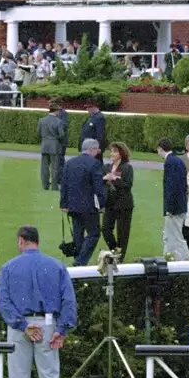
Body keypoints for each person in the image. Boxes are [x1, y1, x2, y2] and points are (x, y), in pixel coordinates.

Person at [0, 225, 77, 378]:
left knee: (18, 375)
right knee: (50, 375)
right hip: (48, 324)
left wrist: (23, 326)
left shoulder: (8, 267)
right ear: (37, 242)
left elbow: (3, 302)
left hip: (19, 326)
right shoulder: (56, 266)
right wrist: (62, 329)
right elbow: (68, 299)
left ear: (22, 241)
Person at [58, 138, 106, 266]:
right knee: (94, 233)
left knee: (78, 234)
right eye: (96, 149)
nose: (98, 152)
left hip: (73, 205)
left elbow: (64, 184)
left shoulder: (70, 162)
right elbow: (98, 187)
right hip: (88, 206)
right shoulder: (94, 163)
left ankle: (79, 260)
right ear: (91, 149)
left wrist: (63, 204)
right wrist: (102, 204)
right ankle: (80, 261)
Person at [158, 137, 189, 260]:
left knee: (176, 236)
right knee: (169, 235)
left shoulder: (170, 162)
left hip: (175, 207)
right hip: (180, 205)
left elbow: (172, 187)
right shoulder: (177, 160)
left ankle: (186, 260)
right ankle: (169, 257)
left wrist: (170, 208)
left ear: (160, 149)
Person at [101, 142, 134, 257]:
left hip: (124, 204)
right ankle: (115, 250)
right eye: (111, 151)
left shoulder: (127, 168)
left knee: (122, 233)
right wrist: (104, 178)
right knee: (105, 229)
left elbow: (127, 186)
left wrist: (114, 179)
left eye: (115, 151)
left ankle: (120, 257)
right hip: (110, 203)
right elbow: (100, 182)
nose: (112, 154)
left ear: (121, 153)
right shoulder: (106, 167)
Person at [37, 105, 67, 191]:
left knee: (44, 167)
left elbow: (38, 133)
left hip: (45, 145)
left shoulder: (41, 120)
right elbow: (61, 135)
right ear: (56, 111)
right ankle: (54, 186)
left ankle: (45, 185)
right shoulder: (59, 121)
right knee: (55, 167)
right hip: (55, 146)